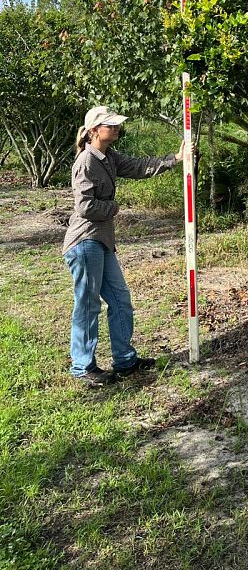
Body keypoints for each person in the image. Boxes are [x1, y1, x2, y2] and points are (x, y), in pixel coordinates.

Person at [62, 105, 189, 388]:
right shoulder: (86, 161)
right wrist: (114, 207)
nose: (117, 128)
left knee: (120, 299)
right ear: (95, 130)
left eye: (117, 124)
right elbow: (85, 207)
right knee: (87, 304)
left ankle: (125, 360)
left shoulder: (109, 157)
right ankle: (83, 366)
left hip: (103, 242)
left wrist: (175, 159)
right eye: (111, 125)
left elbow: (138, 166)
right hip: (85, 242)